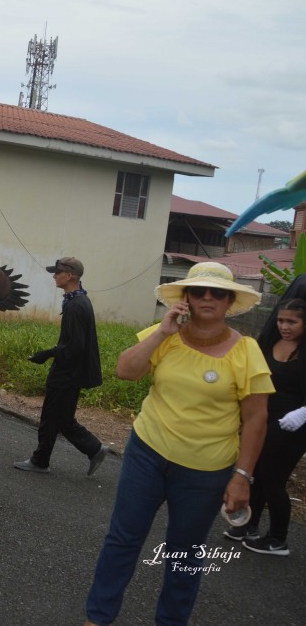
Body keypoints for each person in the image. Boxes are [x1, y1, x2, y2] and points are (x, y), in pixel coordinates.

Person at [84, 262, 271, 626]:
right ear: (185, 298)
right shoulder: (164, 334)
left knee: (185, 554)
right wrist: (162, 333)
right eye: (198, 291)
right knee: (122, 540)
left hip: (206, 470)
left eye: (217, 292)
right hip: (147, 453)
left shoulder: (246, 351)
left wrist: (242, 476)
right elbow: (125, 371)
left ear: (229, 301)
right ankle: (98, 618)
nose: (207, 298)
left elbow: (256, 419)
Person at [223, 297, 306, 556]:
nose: (285, 326)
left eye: (292, 321)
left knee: (273, 479)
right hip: (263, 419)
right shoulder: (270, 344)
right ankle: (249, 525)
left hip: (293, 426)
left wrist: (303, 413)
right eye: (281, 320)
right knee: (253, 472)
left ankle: (278, 539)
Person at [15, 257, 109, 475]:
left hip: (67, 372)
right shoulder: (78, 300)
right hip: (72, 371)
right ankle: (94, 449)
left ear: (70, 276)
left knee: (51, 417)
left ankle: (40, 461)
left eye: (57, 272)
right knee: (62, 417)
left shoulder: (76, 305)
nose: (54, 276)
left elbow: (75, 346)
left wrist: (47, 354)